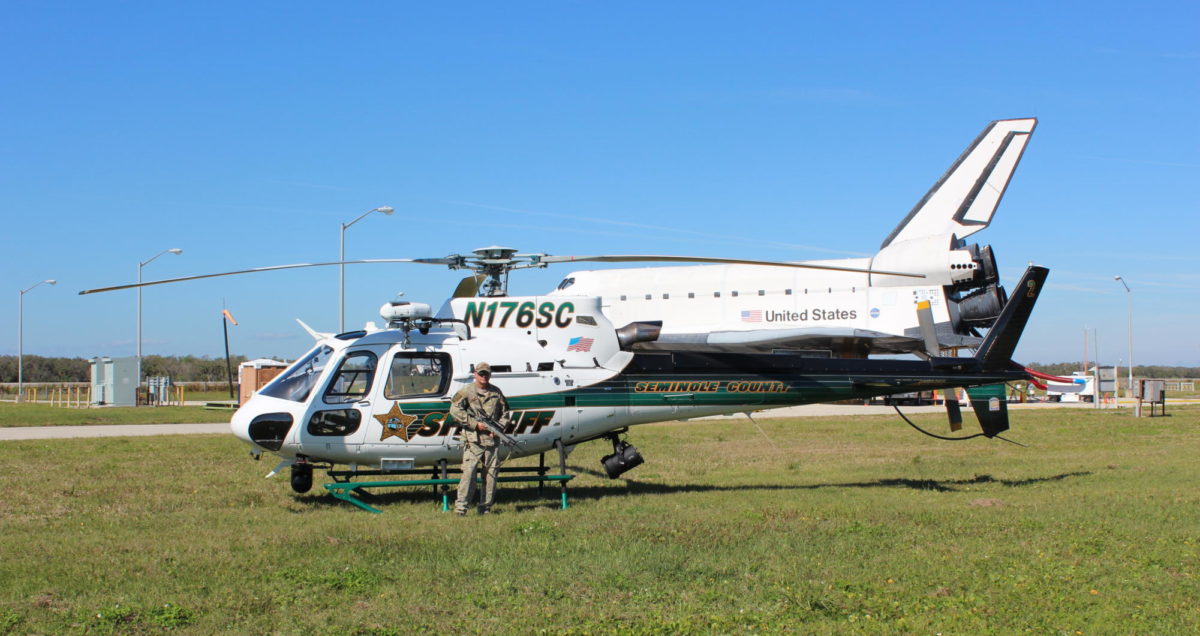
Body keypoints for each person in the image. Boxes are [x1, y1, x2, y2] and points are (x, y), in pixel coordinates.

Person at [451, 362, 511, 516]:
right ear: (475, 374)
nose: (484, 377)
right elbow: (454, 410)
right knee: (468, 474)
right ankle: (461, 508)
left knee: (490, 476)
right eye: (481, 373)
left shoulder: (496, 392)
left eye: (487, 374)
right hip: (473, 440)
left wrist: (499, 429)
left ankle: (485, 508)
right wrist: (474, 424)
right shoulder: (466, 391)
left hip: (491, 441)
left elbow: (505, 413)